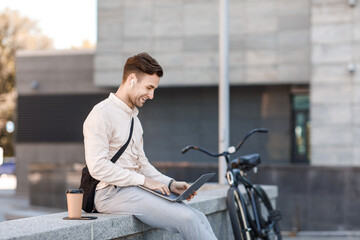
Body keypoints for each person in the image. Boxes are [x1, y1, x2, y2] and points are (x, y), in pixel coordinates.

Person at [83, 52, 217, 240]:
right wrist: (143, 181)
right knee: (187, 218)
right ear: (131, 79)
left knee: (198, 217)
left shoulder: (134, 120)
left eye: (154, 89)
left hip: (133, 189)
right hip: (109, 193)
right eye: (149, 87)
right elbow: (97, 167)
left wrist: (170, 184)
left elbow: (142, 165)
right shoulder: (101, 114)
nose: (152, 95)